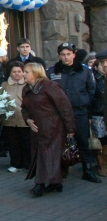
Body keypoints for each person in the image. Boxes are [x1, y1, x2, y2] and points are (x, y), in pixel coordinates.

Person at [48, 43, 101, 184]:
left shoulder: (85, 70)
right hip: (59, 113)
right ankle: (61, 170)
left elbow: (91, 90)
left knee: (83, 141)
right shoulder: (52, 71)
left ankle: (87, 170)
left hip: (79, 111)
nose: (66, 57)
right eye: (63, 54)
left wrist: (83, 103)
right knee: (59, 141)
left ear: (74, 54)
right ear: (59, 56)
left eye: (68, 54)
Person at [22, 63, 76, 197]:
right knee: (42, 154)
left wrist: (70, 128)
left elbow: (65, 107)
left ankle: (39, 184)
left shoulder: (50, 86)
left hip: (53, 127)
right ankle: (55, 183)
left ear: (36, 73)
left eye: (26, 72)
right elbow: (24, 108)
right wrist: (27, 120)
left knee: (47, 155)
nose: (23, 74)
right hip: (37, 128)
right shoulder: (26, 89)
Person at [1, 62, 32, 173]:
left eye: (19, 71)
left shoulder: (27, 84)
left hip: (24, 119)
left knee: (26, 143)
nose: (17, 74)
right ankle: (15, 164)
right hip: (9, 119)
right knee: (13, 143)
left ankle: (28, 164)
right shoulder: (4, 85)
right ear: (10, 73)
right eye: (14, 72)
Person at [90, 50, 107, 177]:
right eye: (102, 62)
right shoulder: (95, 78)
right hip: (99, 114)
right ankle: (102, 166)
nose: (105, 65)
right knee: (101, 142)